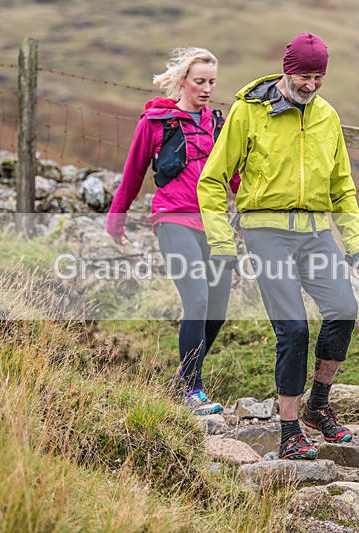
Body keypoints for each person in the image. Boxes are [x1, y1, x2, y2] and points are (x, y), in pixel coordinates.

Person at [198, 33, 359, 459]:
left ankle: (318, 407)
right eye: (304, 77)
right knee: (293, 327)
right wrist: (222, 242)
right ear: (287, 71)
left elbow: (342, 186)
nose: (311, 85)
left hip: (315, 232)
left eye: (319, 77)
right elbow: (213, 179)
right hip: (266, 231)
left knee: (345, 310)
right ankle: (289, 429)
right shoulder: (248, 111)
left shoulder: (327, 116)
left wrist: (355, 240)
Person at [106, 47, 237, 416]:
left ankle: (182, 378)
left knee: (218, 310)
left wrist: (251, 212)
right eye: (200, 81)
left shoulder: (219, 124)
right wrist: (116, 219)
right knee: (196, 299)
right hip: (173, 220)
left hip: (214, 224)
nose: (207, 88)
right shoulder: (155, 122)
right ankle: (193, 391)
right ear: (183, 81)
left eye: (212, 81)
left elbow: (237, 175)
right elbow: (133, 173)